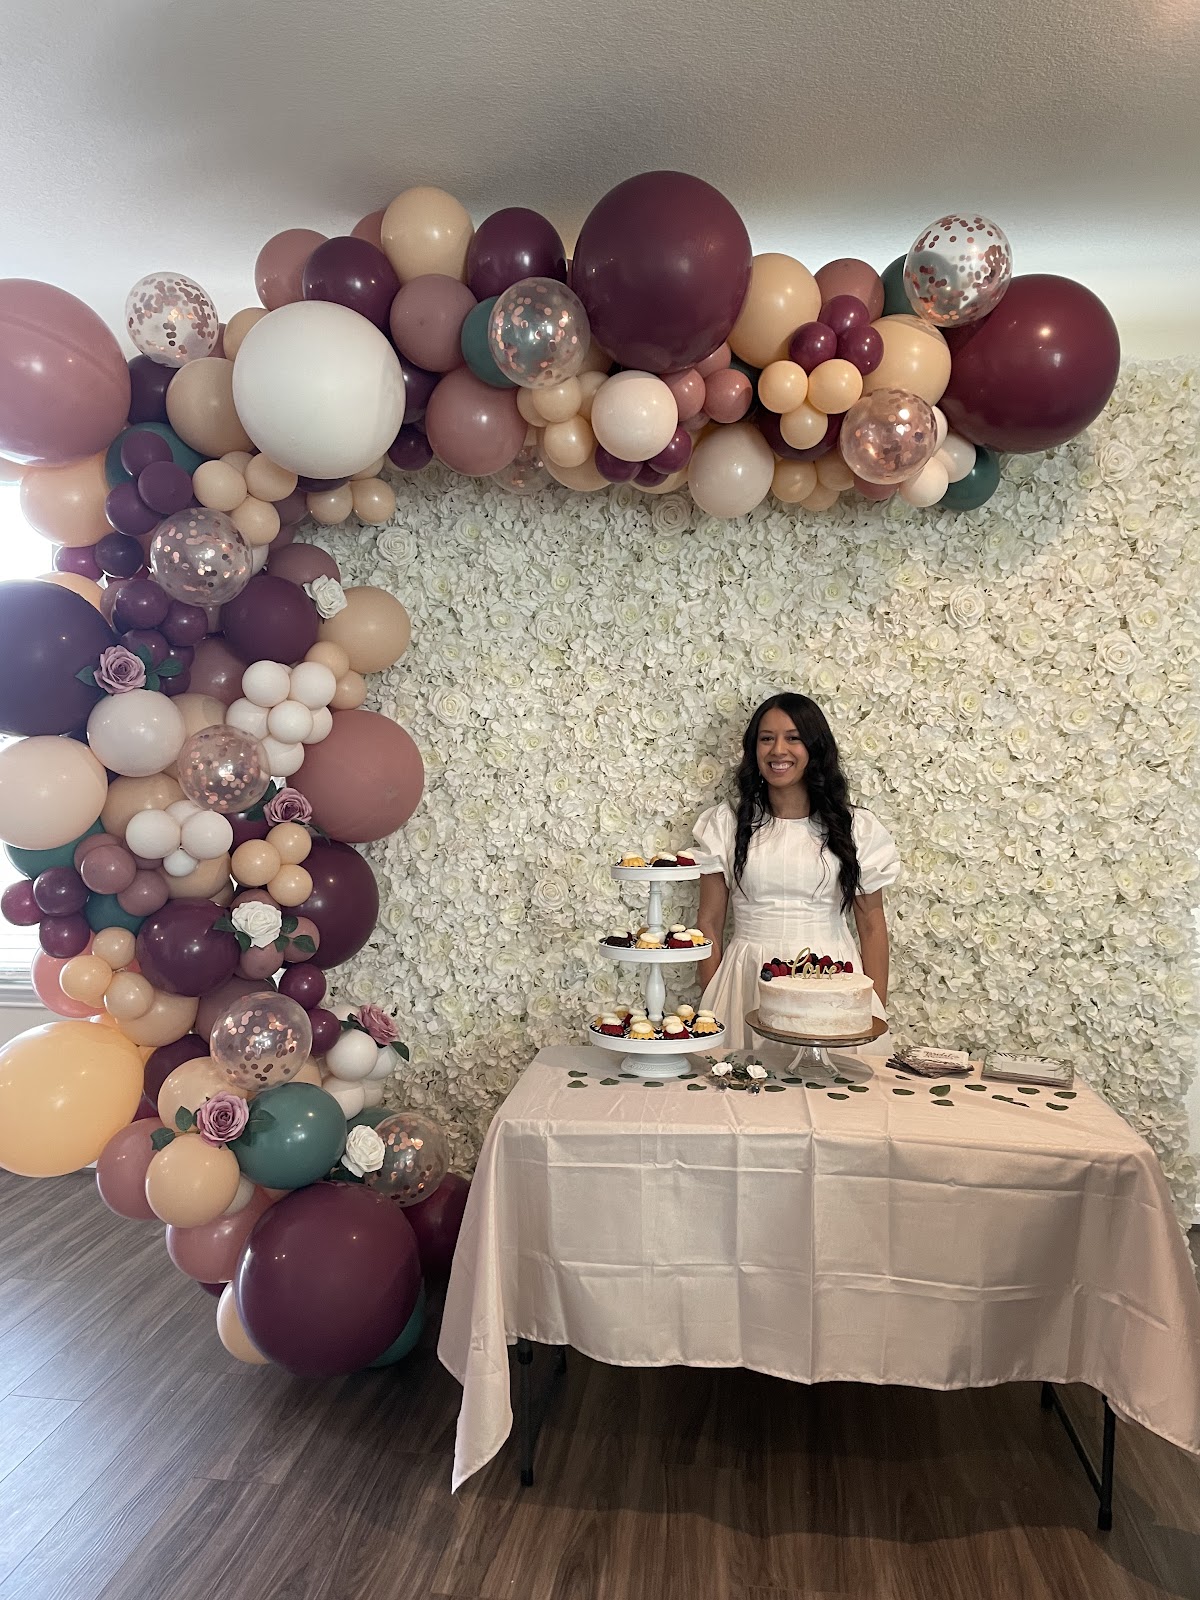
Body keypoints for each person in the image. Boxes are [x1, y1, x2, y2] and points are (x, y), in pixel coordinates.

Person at [693, 692, 900, 1050]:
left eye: (793, 738)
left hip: (833, 979)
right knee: (740, 1082)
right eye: (766, 738)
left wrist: (871, 1009)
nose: (778, 750)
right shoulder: (726, 825)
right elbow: (708, 923)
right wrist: (714, 993)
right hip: (745, 978)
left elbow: (871, 924)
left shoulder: (855, 828)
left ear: (815, 747)